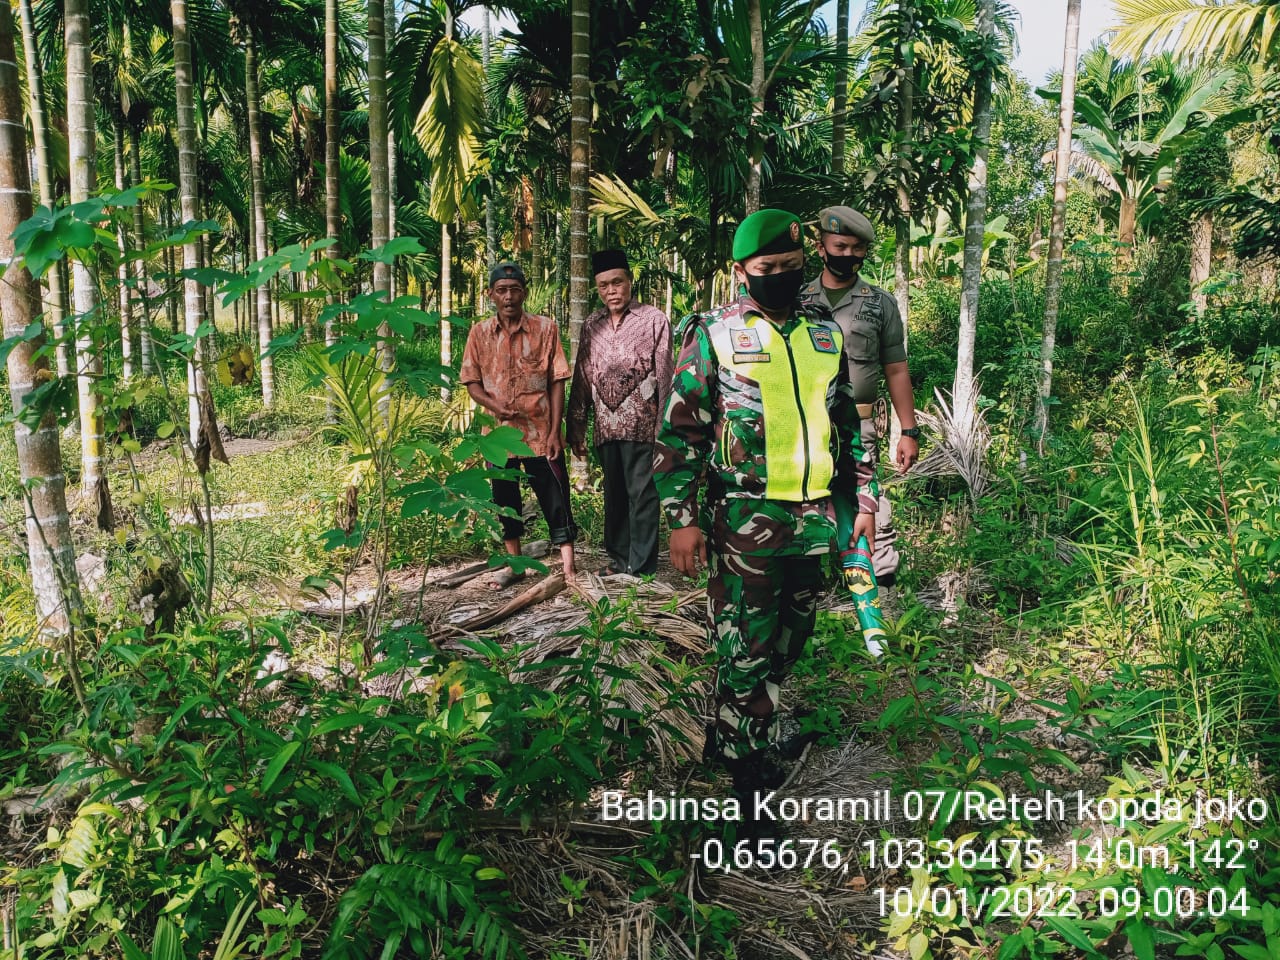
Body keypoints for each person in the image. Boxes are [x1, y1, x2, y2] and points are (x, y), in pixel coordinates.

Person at [653, 209, 878, 801]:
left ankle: (745, 727)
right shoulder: (713, 334)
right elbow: (680, 432)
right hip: (744, 521)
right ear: (741, 271)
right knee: (745, 647)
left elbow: (847, 425)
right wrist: (681, 520)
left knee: (789, 638)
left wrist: (864, 499)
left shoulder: (824, 334)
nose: (780, 276)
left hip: (814, 520)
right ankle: (745, 778)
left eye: (791, 265)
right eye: (767, 267)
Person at [800, 205, 920, 587]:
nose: (848, 255)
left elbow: (896, 369)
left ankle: (879, 588)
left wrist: (909, 430)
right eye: (840, 246)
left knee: (870, 510)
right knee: (806, 507)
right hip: (805, 428)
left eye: (857, 248)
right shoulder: (797, 301)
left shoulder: (879, 304)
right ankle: (816, 585)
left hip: (860, 427)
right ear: (821, 247)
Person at [460, 262, 577, 586]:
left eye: (514, 290)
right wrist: (493, 405)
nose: (508, 297)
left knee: (556, 495)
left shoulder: (546, 328)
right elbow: (471, 381)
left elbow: (557, 381)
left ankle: (568, 567)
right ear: (491, 295)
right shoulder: (479, 333)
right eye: (501, 291)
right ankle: (515, 565)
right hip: (498, 437)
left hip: (540, 433)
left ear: (524, 293)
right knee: (504, 500)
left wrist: (555, 431)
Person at [567, 249, 673, 576]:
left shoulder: (653, 319)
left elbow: (665, 374)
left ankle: (640, 568)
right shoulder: (592, 324)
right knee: (614, 496)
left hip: (642, 424)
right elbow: (583, 374)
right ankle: (618, 559)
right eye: (603, 286)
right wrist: (576, 427)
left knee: (642, 495)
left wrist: (663, 427)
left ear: (629, 281)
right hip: (606, 426)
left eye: (617, 282)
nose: (611, 291)